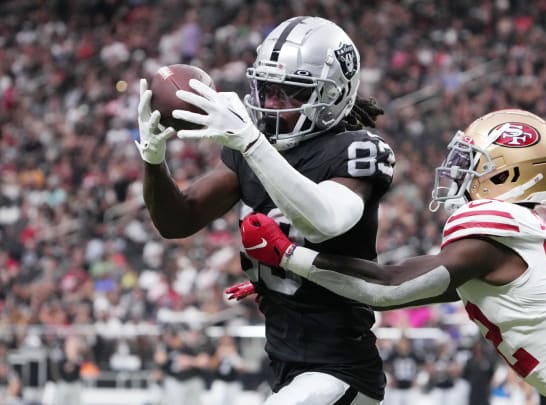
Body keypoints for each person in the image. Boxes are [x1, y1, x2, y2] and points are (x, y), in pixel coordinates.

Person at [237, 109, 546, 404]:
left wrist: (290, 256)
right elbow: (394, 291)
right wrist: (283, 283)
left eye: (473, 163)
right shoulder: (505, 238)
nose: (457, 172)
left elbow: (388, 288)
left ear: (507, 174)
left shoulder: (492, 231)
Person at [136, 16, 394, 405]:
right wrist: (154, 159)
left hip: (339, 370)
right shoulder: (250, 150)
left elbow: (325, 220)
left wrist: (251, 144)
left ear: (334, 94)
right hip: (288, 365)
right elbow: (178, 221)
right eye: (268, 89)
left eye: (290, 93)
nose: (272, 103)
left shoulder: (354, 150)